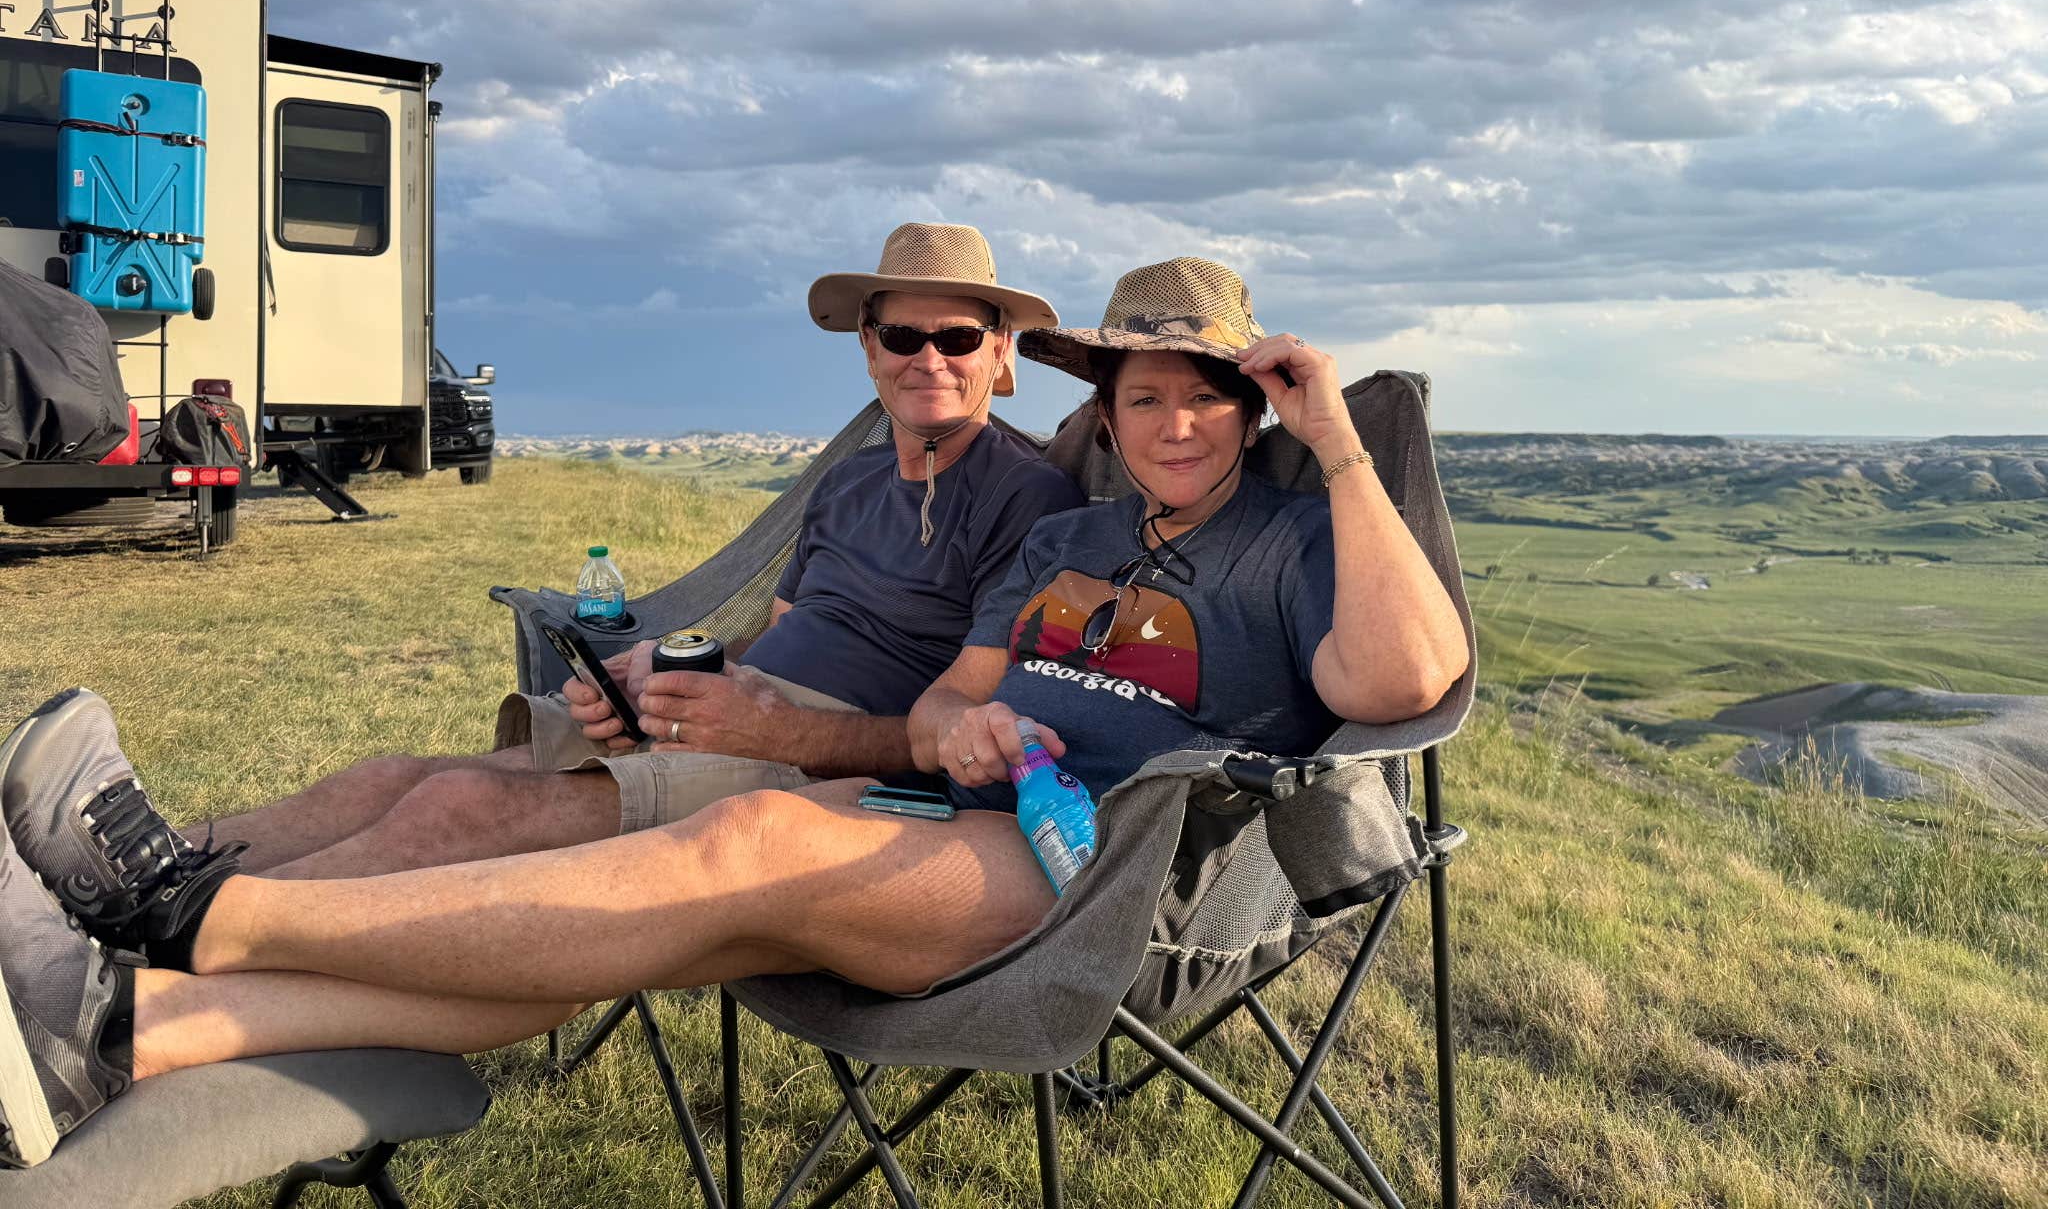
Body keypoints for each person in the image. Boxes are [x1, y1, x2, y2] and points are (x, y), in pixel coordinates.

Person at [0, 258, 1468, 1172]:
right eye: (1147, 399)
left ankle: (198, 915)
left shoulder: (1301, 545)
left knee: (737, 843)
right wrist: (947, 734)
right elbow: (938, 711)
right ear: (1114, 410)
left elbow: (1402, 690)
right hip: (948, 807)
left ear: (1258, 405)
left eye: (1211, 397)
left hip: (1102, 872)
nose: (1177, 424)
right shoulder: (1062, 544)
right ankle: (131, 1031)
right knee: (616, 931)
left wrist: (1337, 438)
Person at [167, 221, 1081, 880]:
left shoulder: (1029, 498)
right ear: (870, 351)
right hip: (730, 719)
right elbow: (771, 645)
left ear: (1000, 354)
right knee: (402, 779)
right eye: (903, 335)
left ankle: (170, 947)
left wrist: (777, 729)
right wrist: (664, 672)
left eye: (959, 337)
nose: (930, 359)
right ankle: (149, 868)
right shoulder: (846, 484)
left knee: (460, 811)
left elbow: (960, 731)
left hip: (824, 780)